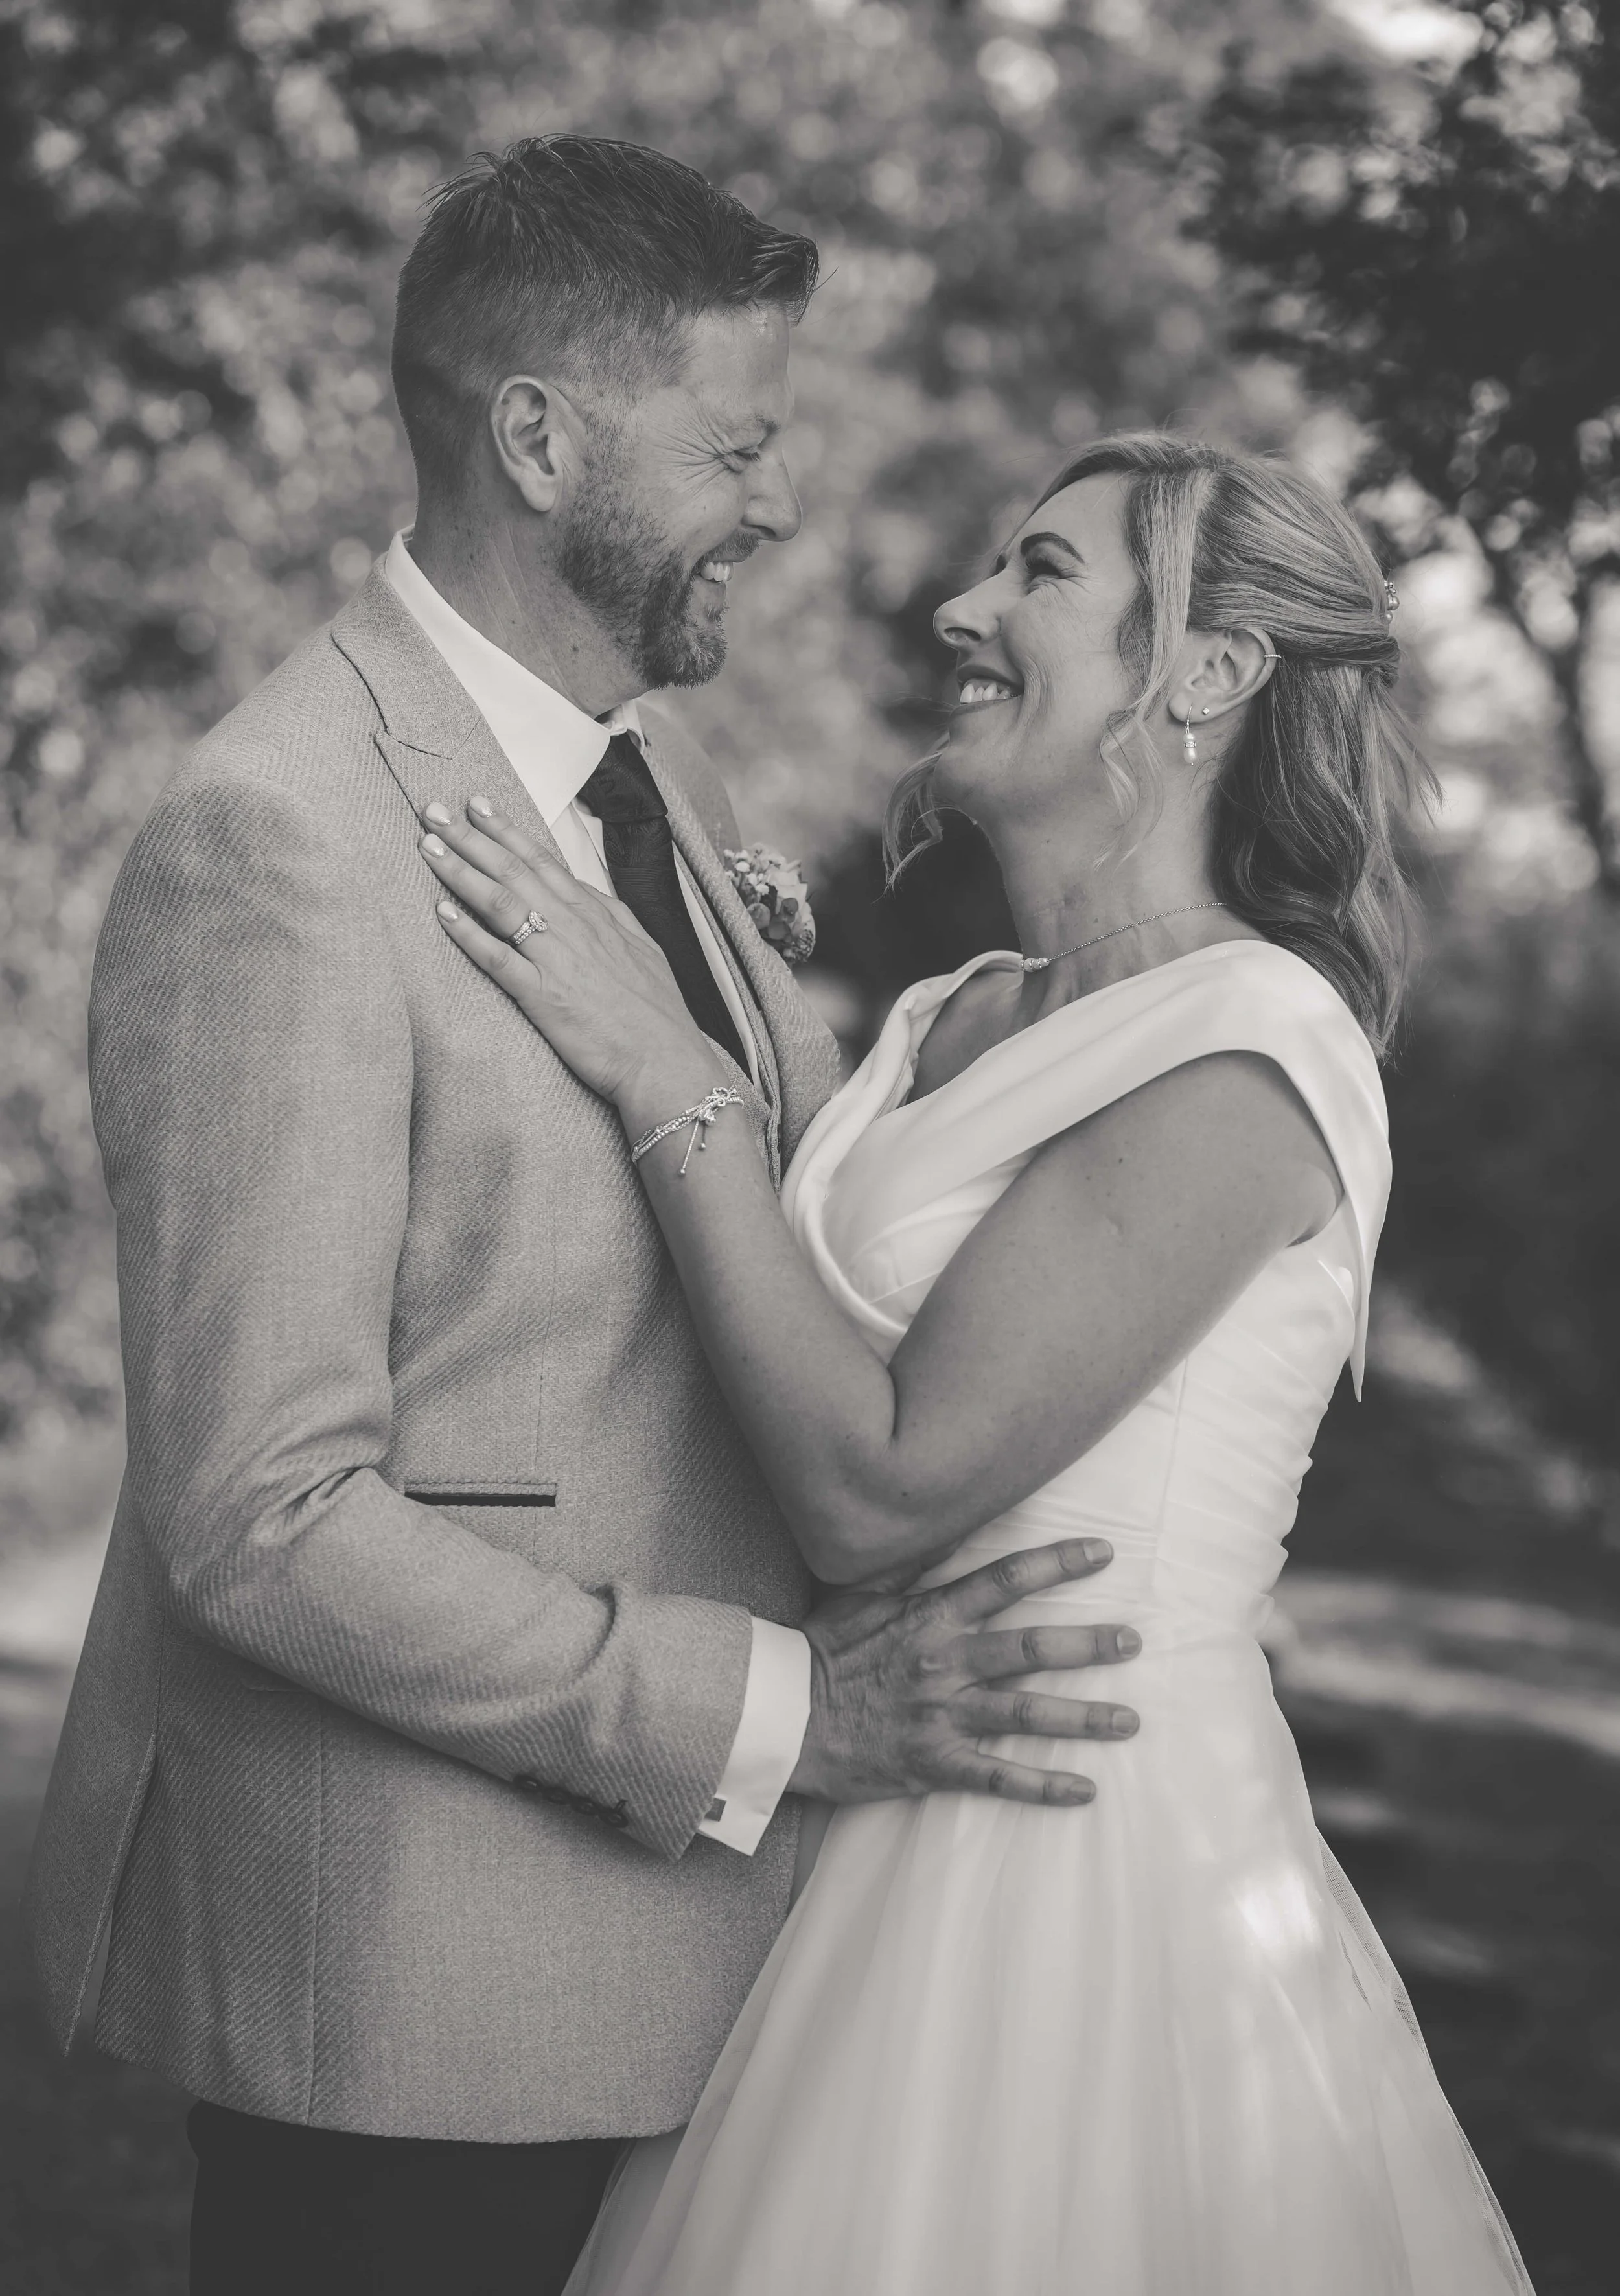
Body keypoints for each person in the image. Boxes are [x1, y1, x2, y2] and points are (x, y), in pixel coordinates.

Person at [22, 140, 1142, 2296]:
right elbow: (258, 1511)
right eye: (735, 444)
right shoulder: (277, 840)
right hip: (414, 2009)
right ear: (539, 440)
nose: (783, 501)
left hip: (705, 1983)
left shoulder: (654, 780)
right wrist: (771, 1714)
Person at [415, 432, 1536, 2293]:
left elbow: (877, 1486)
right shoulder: (951, 1016)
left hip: (1076, 1852)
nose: (961, 607)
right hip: (841, 1813)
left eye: (1042, 573)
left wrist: (667, 1075)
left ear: (1208, 669)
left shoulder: (1249, 1046)